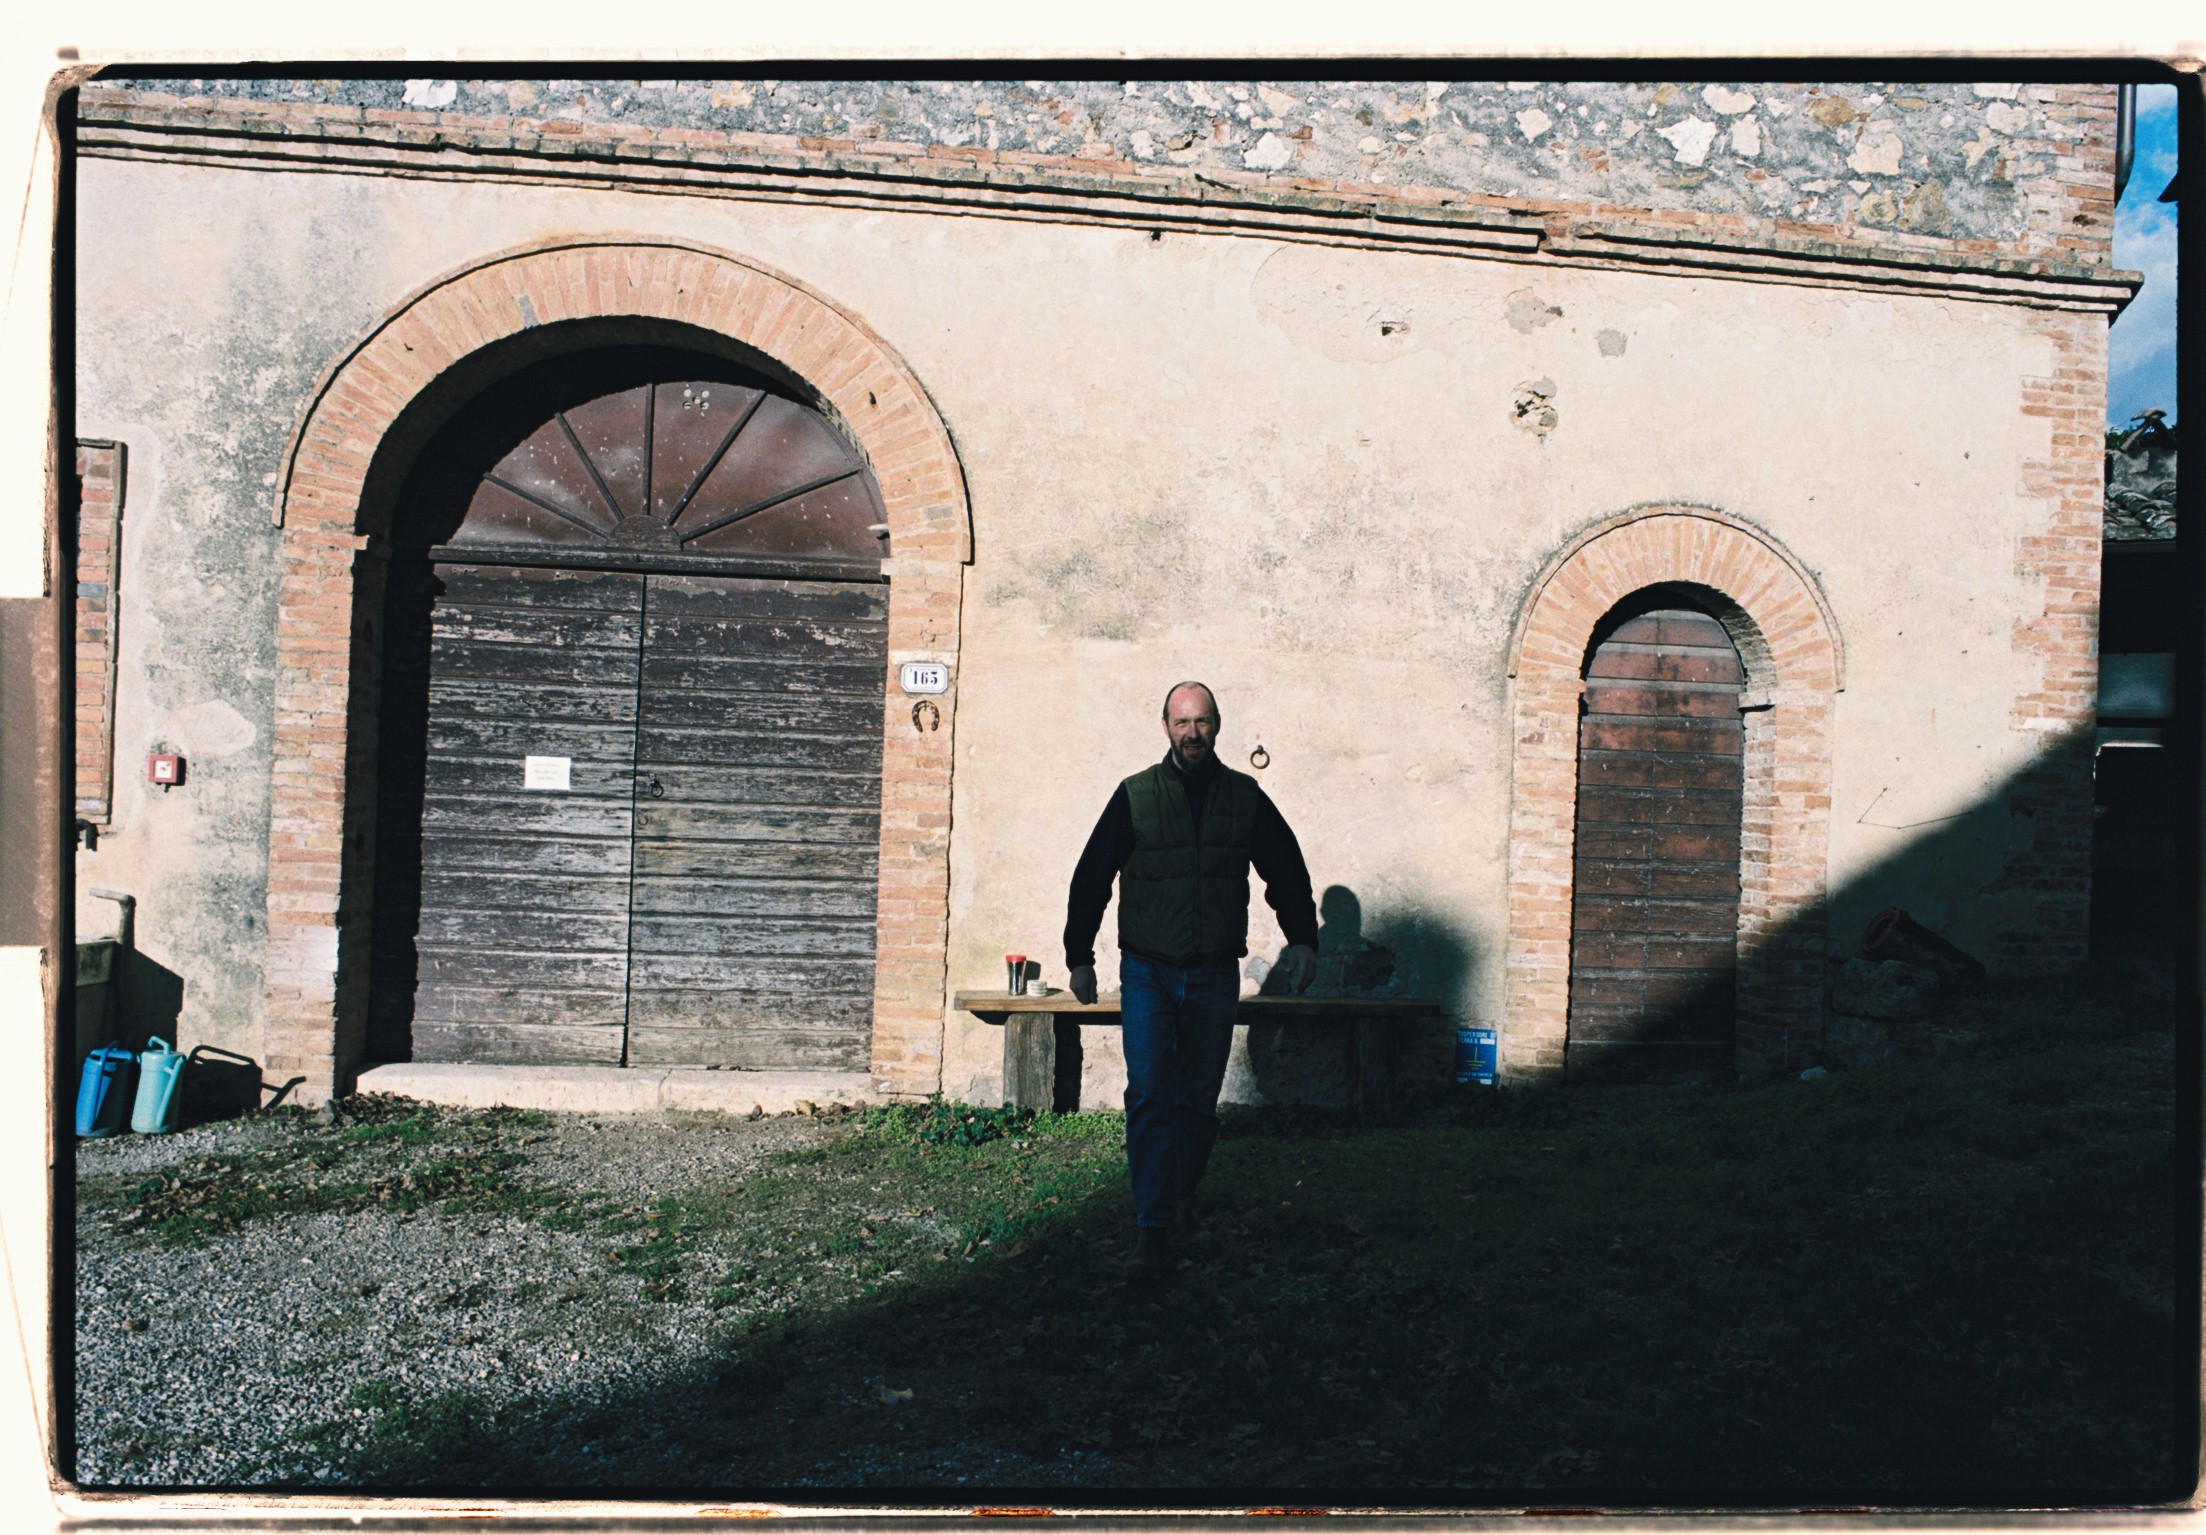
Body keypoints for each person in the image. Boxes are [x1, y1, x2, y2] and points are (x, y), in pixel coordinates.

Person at [1064, 681, 1319, 1279]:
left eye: (1201, 721)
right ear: (1165, 728)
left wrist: (1303, 937)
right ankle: (1152, 1230)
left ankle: (1179, 1203)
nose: (1192, 733)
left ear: (1217, 725)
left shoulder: (1244, 797)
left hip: (1213, 973)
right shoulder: (1136, 795)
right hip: (1148, 970)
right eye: (1182, 722)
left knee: (1198, 1100)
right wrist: (1080, 955)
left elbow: (1285, 867)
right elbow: (1092, 874)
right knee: (1152, 1093)